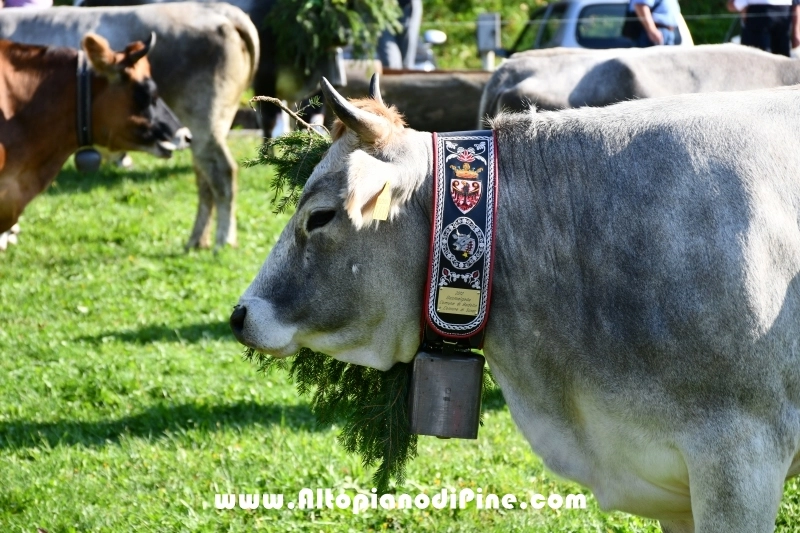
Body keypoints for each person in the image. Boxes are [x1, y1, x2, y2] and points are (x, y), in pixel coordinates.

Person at [727, 0, 793, 56]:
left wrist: (734, 4)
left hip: (759, 16)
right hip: (785, 13)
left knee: (757, 59)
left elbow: (735, 5)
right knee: (781, 58)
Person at [377, 0, 422, 70]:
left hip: (408, 6)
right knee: (389, 60)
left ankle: (405, 76)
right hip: (382, 7)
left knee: (407, 63)